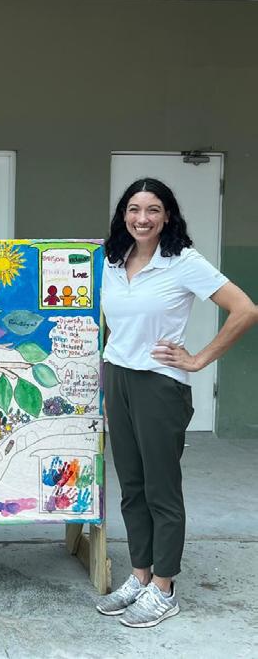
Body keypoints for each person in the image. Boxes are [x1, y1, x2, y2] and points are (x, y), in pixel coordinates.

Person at [96, 178, 257, 627]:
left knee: (160, 489)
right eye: (134, 209)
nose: (142, 218)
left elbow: (245, 309)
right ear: (123, 215)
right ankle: (140, 576)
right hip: (119, 378)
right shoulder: (112, 260)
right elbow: (112, 323)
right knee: (131, 486)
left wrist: (199, 358)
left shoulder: (183, 261)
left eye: (153, 210)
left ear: (167, 216)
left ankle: (164, 587)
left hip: (160, 385)